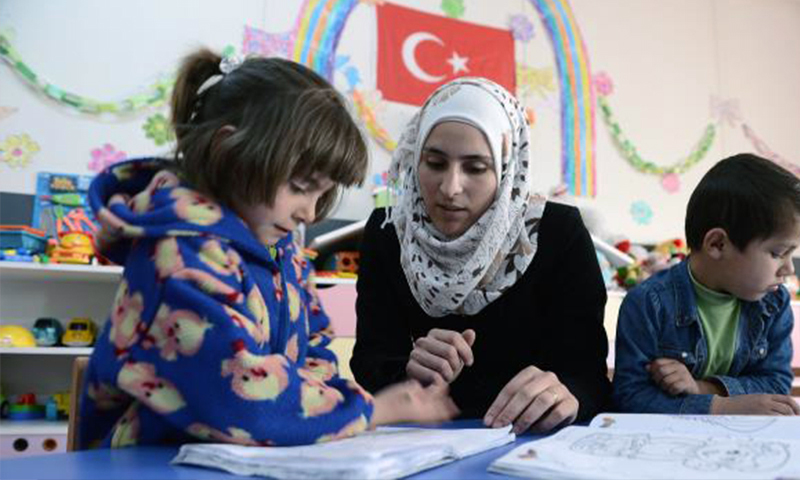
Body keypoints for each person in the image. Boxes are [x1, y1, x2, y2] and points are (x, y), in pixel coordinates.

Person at [79, 48, 458, 449]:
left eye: (322, 194)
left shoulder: (282, 251)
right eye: (300, 187)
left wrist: (334, 408)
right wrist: (375, 410)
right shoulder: (177, 254)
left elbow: (315, 352)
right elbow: (239, 399)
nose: (310, 213)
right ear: (231, 152)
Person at [350, 77, 612, 435]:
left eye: (475, 168)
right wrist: (408, 372)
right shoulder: (389, 232)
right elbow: (370, 364)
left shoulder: (556, 233)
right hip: (418, 444)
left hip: (530, 444)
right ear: (415, 159)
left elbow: (588, 375)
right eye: (434, 162)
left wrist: (566, 395)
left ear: (506, 169)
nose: (450, 188)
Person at [613, 154, 800, 415]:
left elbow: (776, 384)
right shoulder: (648, 303)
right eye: (778, 253)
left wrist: (704, 389)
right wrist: (721, 407)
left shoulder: (774, 303)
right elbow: (630, 397)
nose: (790, 269)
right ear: (717, 244)